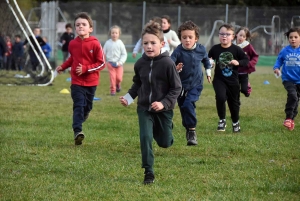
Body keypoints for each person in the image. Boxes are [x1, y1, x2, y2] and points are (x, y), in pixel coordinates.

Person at [119, 20, 181, 184]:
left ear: (162, 43)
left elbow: (176, 88)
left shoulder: (168, 64)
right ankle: (149, 172)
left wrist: (164, 103)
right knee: (145, 137)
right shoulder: (140, 63)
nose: (149, 46)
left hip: (164, 110)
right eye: (145, 43)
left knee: (165, 143)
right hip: (144, 108)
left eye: (153, 43)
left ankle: (167, 129)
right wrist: (128, 98)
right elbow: (137, 84)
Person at [56, 12, 105, 145]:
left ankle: (82, 117)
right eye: (77, 25)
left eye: (84, 24)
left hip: (91, 82)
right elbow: (72, 58)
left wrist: (86, 68)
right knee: (78, 105)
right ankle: (78, 132)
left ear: (90, 28)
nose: (80, 27)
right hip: (76, 82)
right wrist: (63, 66)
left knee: (87, 107)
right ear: (75, 28)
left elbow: (101, 63)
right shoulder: (72, 44)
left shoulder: (95, 44)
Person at [170, 20, 212, 146]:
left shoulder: (201, 49)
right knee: (184, 108)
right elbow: (170, 63)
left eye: (190, 37)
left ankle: (192, 131)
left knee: (188, 104)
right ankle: (188, 127)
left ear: (196, 38)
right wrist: (175, 68)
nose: (187, 40)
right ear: (180, 38)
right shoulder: (178, 51)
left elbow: (206, 61)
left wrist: (209, 72)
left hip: (196, 84)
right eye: (184, 37)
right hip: (181, 86)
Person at [208, 24, 249, 133]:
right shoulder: (214, 49)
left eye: (227, 34)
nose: (224, 36)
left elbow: (246, 60)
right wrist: (210, 64)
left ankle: (235, 122)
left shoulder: (236, 49)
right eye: (222, 34)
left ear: (233, 36)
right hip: (219, 80)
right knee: (220, 98)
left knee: (233, 103)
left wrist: (238, 62)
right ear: (218, 35)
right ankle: (222, 120)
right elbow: (209, 60)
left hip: (233, 81)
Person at [273, 27, 300, 131]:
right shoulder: (285, 50)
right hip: (288, 79)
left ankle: (291, 120)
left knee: (296, 100)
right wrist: (276, 68)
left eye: (296, 37)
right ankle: (288, 117)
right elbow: (279, 61)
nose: (293, 39)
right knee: (293, 96)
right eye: (290, 37)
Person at [233, 27, 259, 97]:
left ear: (246, 38)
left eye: (244, 36)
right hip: (234, 73)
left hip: (244, 72)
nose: (241, 37)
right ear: (236, 34)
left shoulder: (248, 46)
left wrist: (250, 64)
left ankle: (247, 88)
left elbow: (255, 56)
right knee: (235, 90)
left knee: (244, 90)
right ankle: (236, 103)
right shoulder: (231, 46)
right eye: (240, 35)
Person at [103, 25, 127, 96]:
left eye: (116, 33)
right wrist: (103, 60)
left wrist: (120, 62)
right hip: (110, 63)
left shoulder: (120, 43)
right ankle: (113, 90)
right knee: (112, 78)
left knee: (119, 78)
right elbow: (103, 52)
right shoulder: (107, 43)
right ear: (110, 34)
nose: (114, 34)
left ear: (119, 34)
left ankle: (118, 84)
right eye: (113, 33)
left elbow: (124, 54)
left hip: (119, 64)